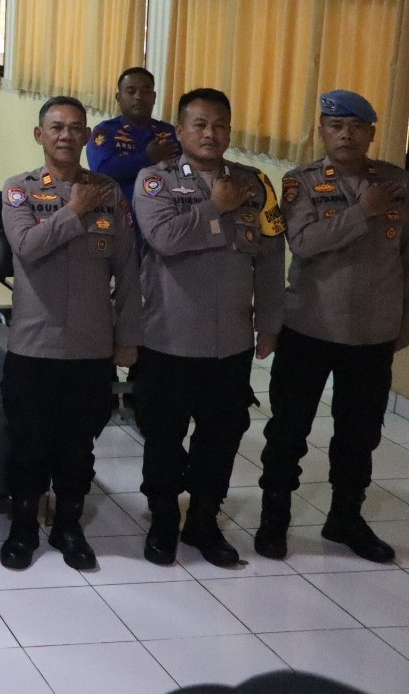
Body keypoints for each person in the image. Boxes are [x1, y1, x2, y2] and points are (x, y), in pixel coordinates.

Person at [131, 88, 285, 570]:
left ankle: (202, 519)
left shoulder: (255, 183)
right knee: (163, 435)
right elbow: (165, 238)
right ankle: (161, 518)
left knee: (221, 438)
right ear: (179, 132)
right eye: (198, 124)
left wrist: (271, 322)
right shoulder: (154, 181)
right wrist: (214, 206)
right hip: (170, 337)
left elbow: (271, 254)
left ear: (229, 132)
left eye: (219, 124)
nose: (209, 133)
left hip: (231, 341)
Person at [255, 89, 409, 564]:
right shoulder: (300, 183)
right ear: (320, 131)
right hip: (310, 328)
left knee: (360, 433)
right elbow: (303, 242)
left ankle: (346, 517)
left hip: (372, 333)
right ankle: (274, 519)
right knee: (288, 429)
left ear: (371, 133)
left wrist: (406, 320)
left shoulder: (397, 183)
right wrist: (363, 211)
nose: (345, 134)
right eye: (335, 125)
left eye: (356, 127)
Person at [0, 97, 142, 572]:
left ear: (86, 137)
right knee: (29, 445)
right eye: (56, 127)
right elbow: (28, 247)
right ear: (39, 136)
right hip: (34, 347)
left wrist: (128, 338)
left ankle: (68, 524)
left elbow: (128, 272)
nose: (65, 135)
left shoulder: (110, 194)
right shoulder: (19, 191)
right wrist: (74, 211)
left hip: (90, 348)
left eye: (75, 128)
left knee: (78, 448)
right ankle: (23, 527)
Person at [88, 67, 180, 207]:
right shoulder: (105, 131)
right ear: (118, 98)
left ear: (154, 97)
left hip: (165, 210)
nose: (138, 96)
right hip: (121, 212)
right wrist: (147, 158)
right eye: (131, 91)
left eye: (145, 91)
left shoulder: (169, 132)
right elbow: (102, 172)